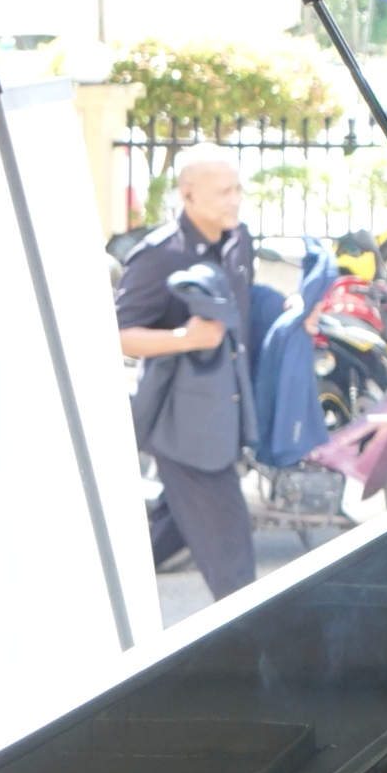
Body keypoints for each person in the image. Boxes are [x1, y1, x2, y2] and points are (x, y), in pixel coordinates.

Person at [114, 144, 258, 599]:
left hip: (227, 414)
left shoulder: (238, 240)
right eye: (222, 192)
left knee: (166, 540)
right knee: (234, 566)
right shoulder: (159, 256)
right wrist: (185, 340)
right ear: (188, 194)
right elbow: (116, 335)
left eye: (236, 188)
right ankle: (250, 658)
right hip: (187, 431)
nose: (233, 199)